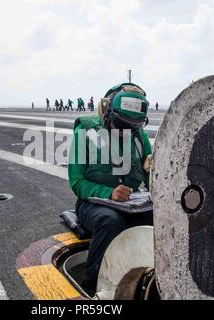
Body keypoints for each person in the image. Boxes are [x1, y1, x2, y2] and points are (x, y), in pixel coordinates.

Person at [68, 83, 153, 296]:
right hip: (92, 204)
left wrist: (153, 172)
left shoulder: (139, 136)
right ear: (106, 113)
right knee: (111, 220)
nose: (125, 133)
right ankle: (93, 284)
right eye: (120, 124)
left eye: (131, 127)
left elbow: (151, 181)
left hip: (130, 203)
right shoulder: (86, 131)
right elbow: (76, 182)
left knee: (156, 216)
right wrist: (109, 193)